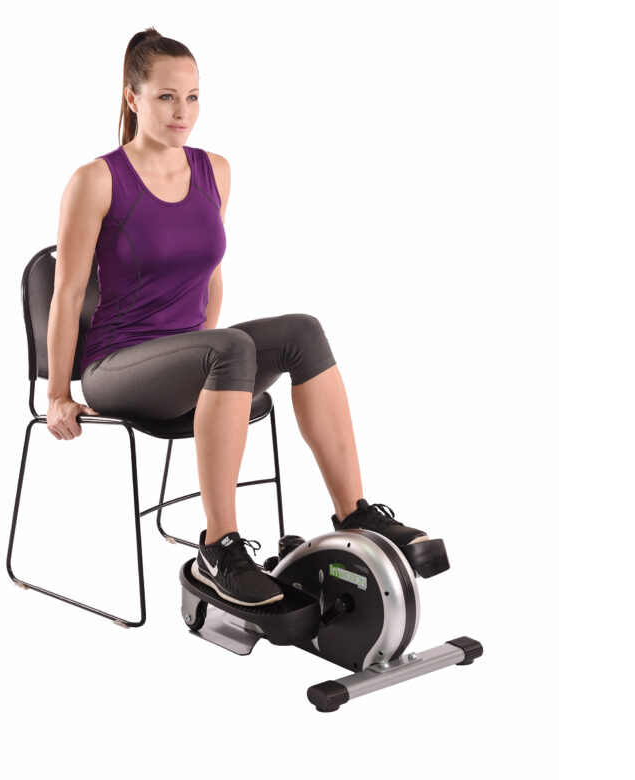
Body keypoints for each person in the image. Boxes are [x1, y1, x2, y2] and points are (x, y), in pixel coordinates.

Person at [45, 27, 448, 609]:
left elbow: (209, 274)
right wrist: (59, 394)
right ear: (132, 98)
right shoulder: (97, 180)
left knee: (302, 331)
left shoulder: (215, 171)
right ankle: (218, 550)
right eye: (166, 97)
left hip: (189, 361)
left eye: (193, 97)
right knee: (228, 347)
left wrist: (212, 366)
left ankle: (355, 515)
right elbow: (66, 293)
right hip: (115, 369)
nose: (183, 112)